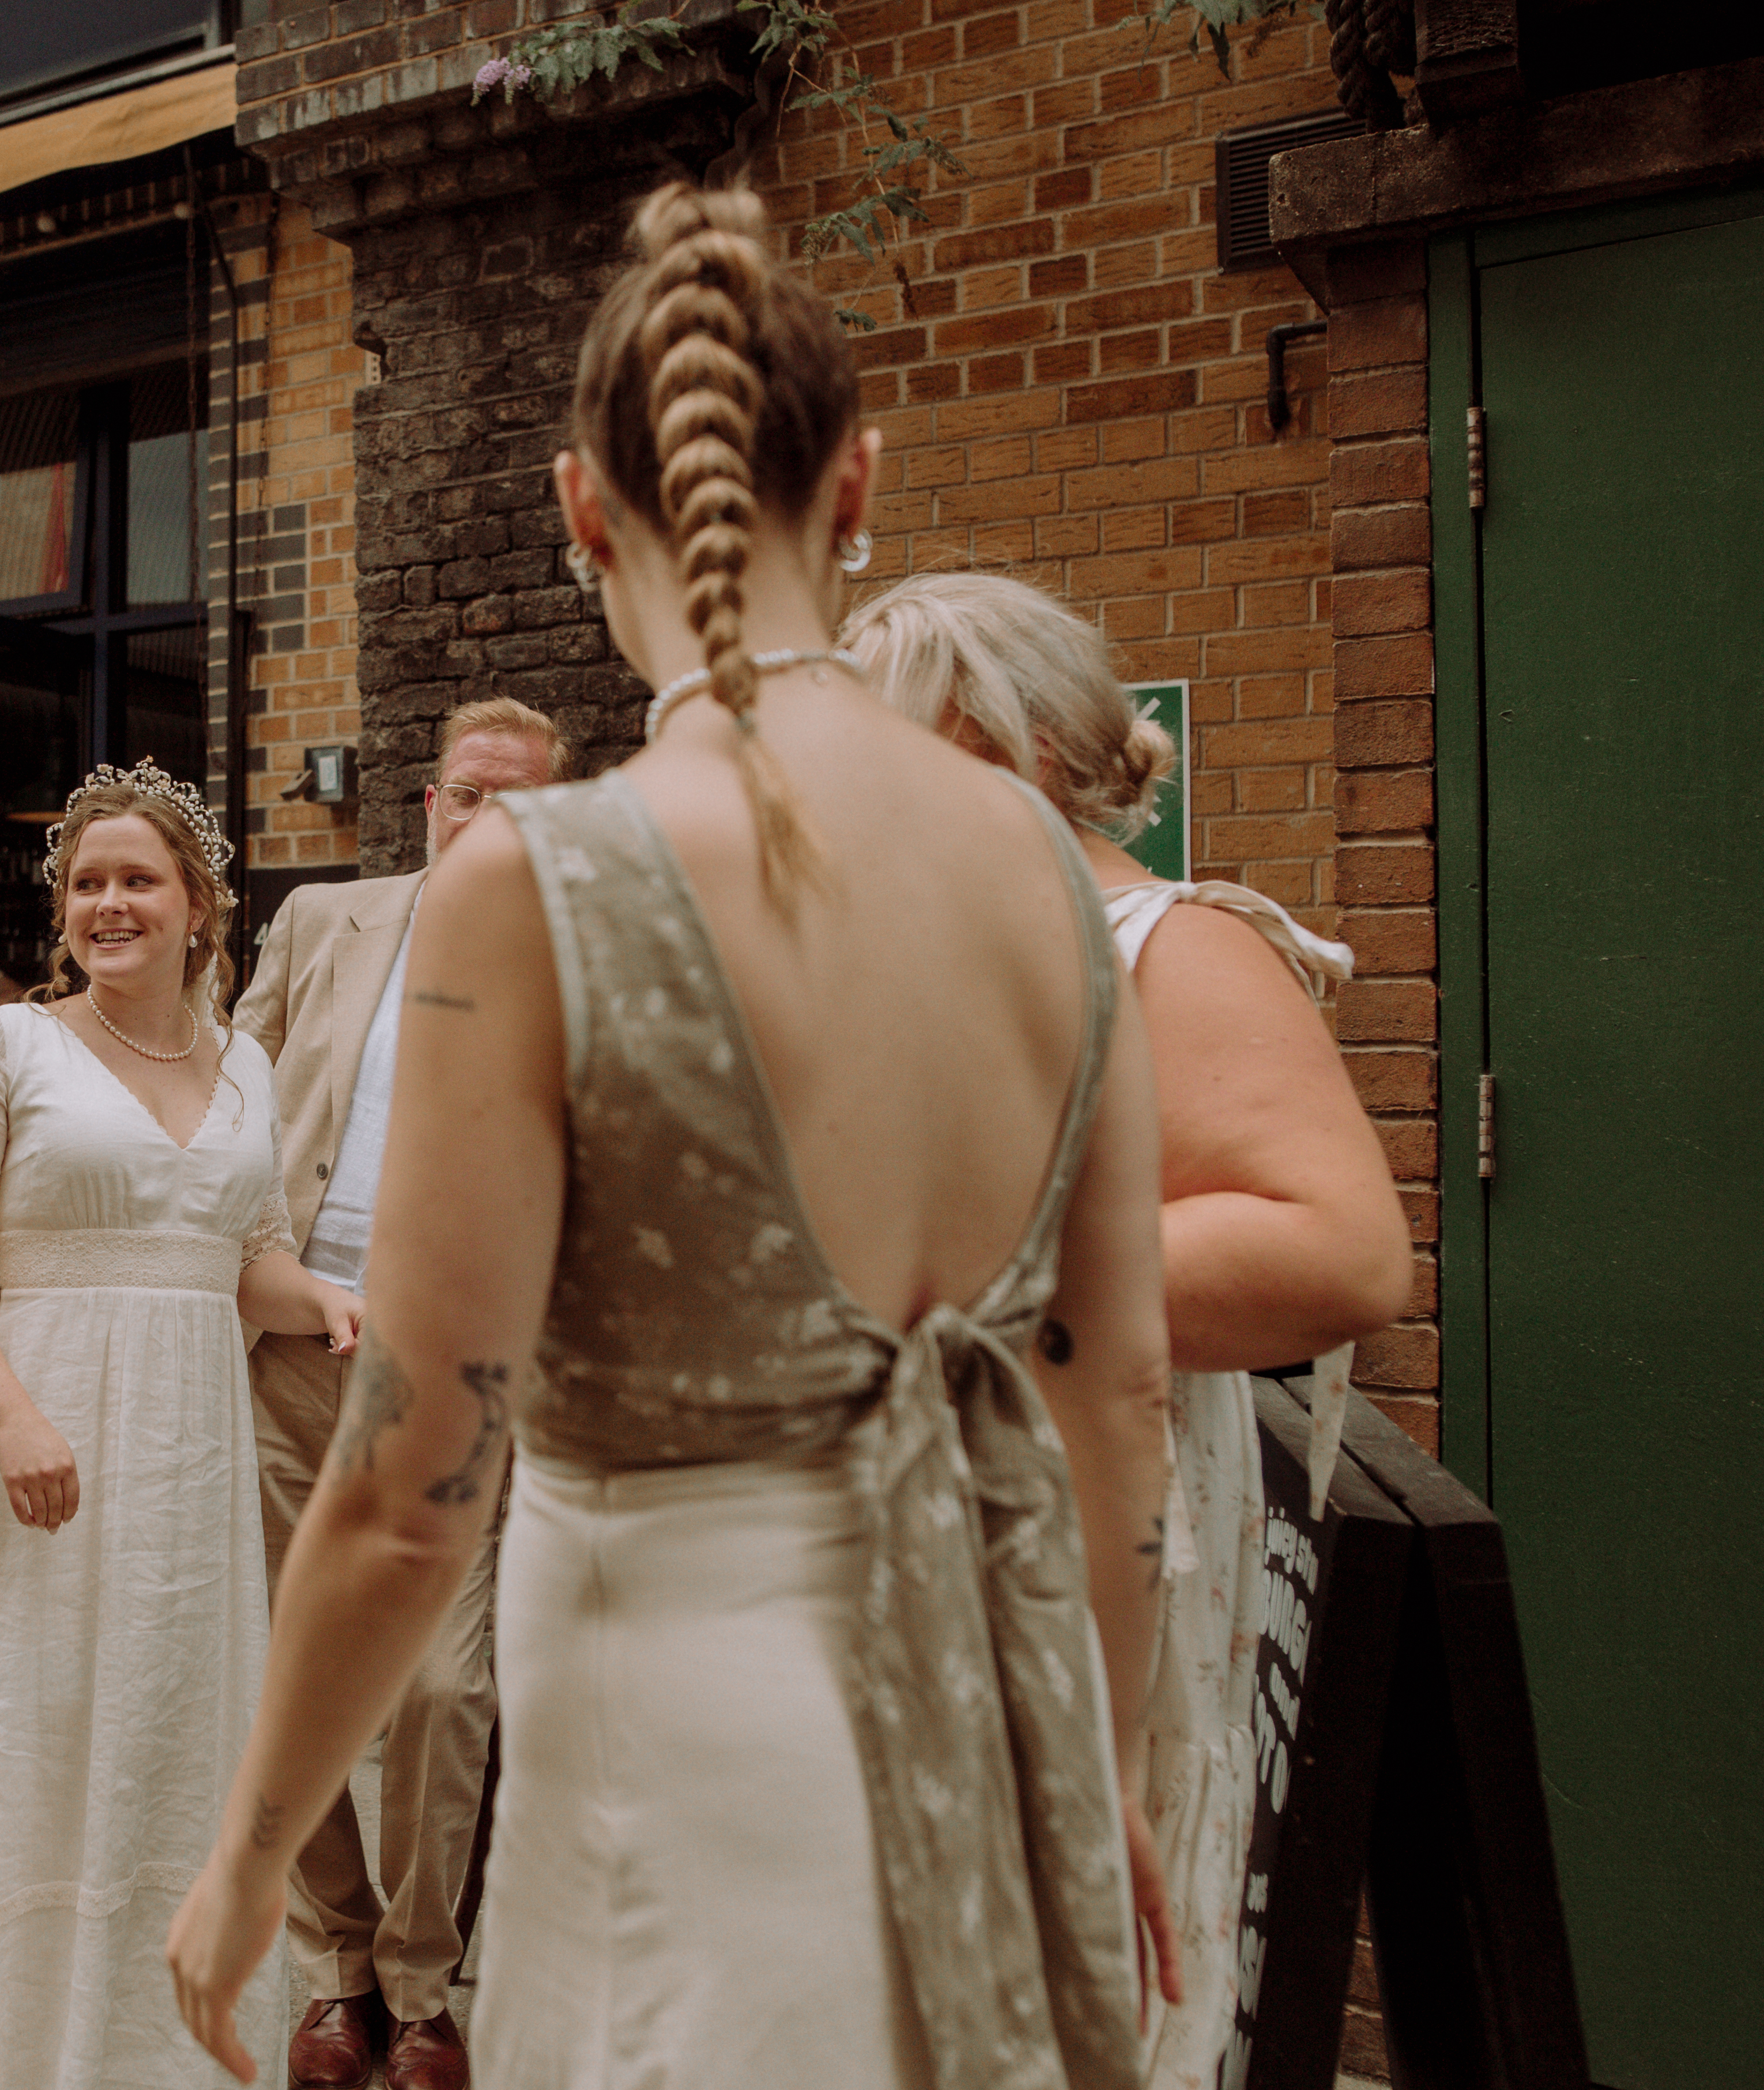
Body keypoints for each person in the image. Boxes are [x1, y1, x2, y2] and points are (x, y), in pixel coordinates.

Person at [168, 184, 1183, 2090]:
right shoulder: (1052, 871)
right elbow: (1116, 1395)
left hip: (679, 1757)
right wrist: (1105, 1768)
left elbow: (409, 1491)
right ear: (857, 484)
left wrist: (244, 1856)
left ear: (580, 509)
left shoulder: (541, 881)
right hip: (987, 1712)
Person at [846, 571, 1414, 2090]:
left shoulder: (1170, 942)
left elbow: (1339, 1248)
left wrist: (952, 1281)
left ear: (1010, 745)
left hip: (1082, 1542)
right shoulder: (933, 954)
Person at [0, 760, 367, 2090]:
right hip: (44, 1444)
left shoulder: (248, 1066)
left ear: (197, 906)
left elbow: (247, 1264)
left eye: (137, 880)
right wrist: (8, 1414)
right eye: (86, 882)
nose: (108, 903)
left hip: (189, 1467)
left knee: (171, 1736)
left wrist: (333, 1301)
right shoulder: (3, 1046)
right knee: (36, 1739)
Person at [229, 695, 571, 2090]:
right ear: (431, 806)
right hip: (293, 1345)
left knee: (444, 1683)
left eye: (518, 799)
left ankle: (425, 1984)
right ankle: (339, 1971)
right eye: (468, 792)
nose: (487, 816)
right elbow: (232, 1095)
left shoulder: (584, 960)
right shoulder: (324, 921)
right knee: (287, 1665)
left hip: (465, 1366)